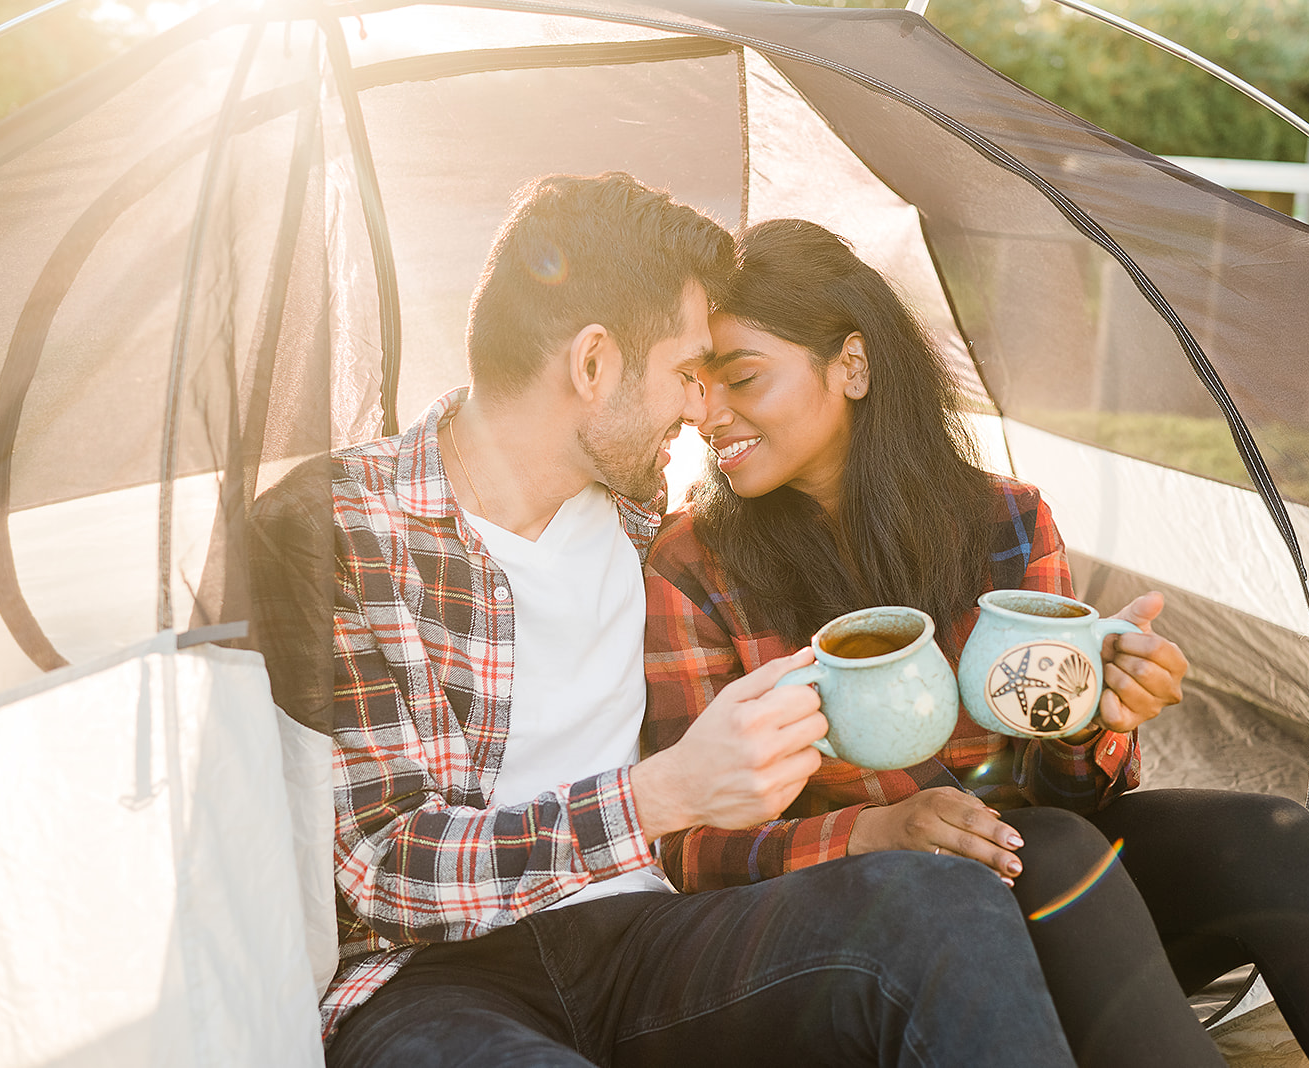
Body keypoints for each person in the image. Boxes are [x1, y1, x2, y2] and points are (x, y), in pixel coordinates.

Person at [643, 218, 1309, 1068]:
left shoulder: (1003, 522)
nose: (708, 415)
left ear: (854, 366)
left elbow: (1067, 787)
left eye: (742, 379)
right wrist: (874, 833)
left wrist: (1100, 712)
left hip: (1057, 897)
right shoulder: (693, 568)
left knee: (1263, 834)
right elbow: (687, 848)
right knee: (1050, 852)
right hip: (865, 939)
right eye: (696, 385)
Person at [288, 171, 1099, 1068]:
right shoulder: (342, 526)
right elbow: (382, 869)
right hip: (432, 980)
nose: (699, 409)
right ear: (593, 365)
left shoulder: (637, 510)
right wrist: (664, 792)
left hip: (650, 940)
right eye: (685, 373)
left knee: (941, 906)